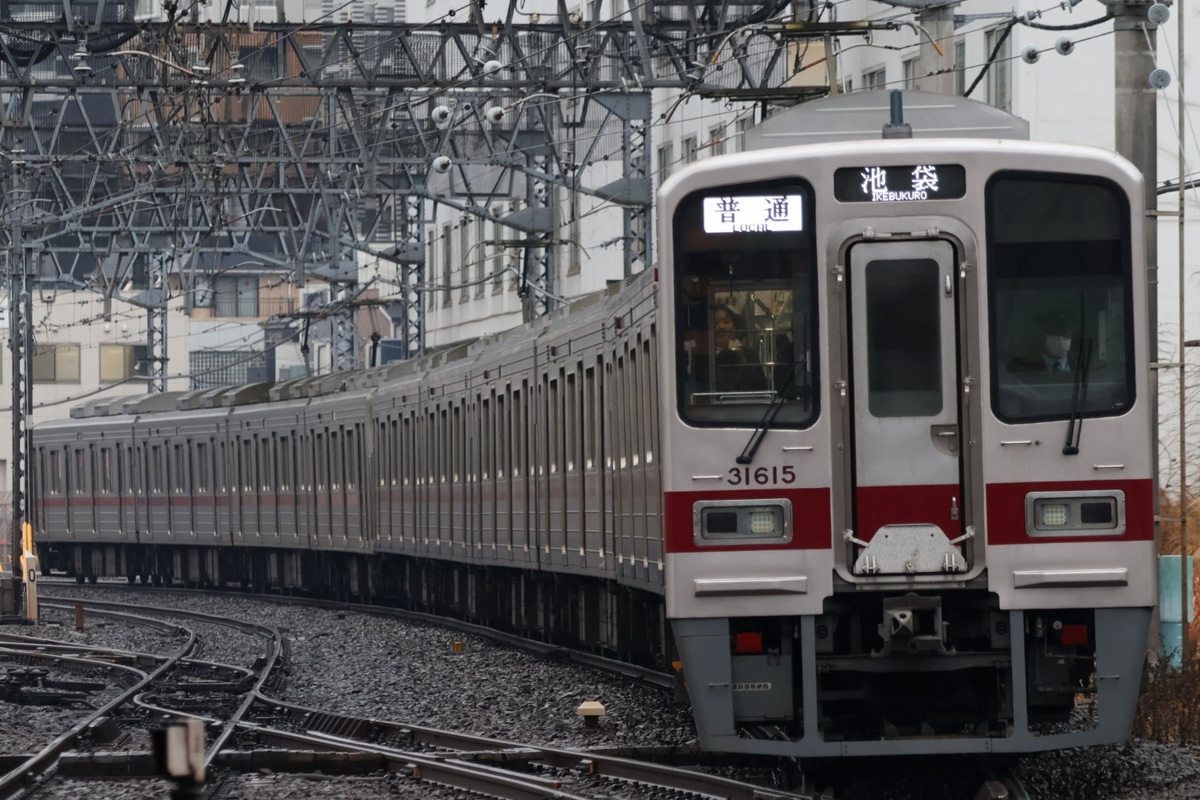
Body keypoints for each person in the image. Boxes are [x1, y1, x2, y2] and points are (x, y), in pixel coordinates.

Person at [712, 304, 769, 392]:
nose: (721, 327)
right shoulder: (704, 358)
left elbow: (762, 389)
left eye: (726, 321)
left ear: (734, 326)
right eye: (716, 322)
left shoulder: (749, 355)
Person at [1006, 311, 1076, 375]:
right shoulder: (1020, 366)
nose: (1060, 339)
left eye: (1065, 335)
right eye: (1053, 334)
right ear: (1040, 336)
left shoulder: (1082, 364)